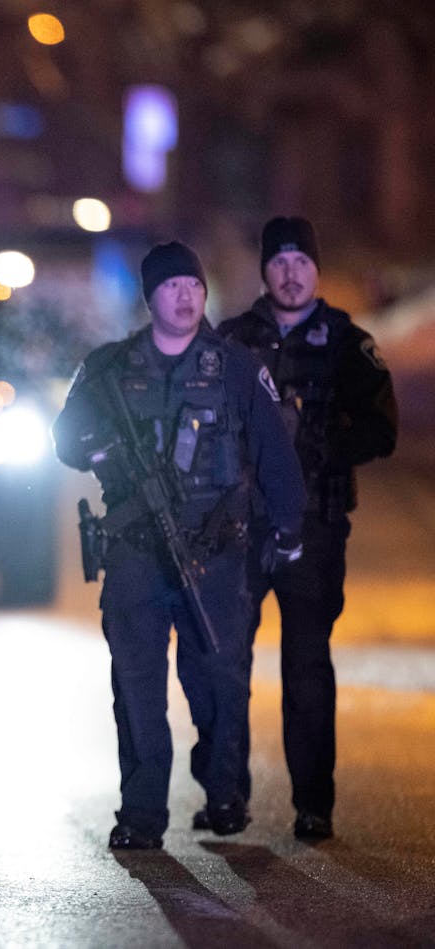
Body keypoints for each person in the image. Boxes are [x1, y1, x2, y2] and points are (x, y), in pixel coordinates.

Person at [53, 241, 307, 850]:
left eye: (193, 285)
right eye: (172, 287)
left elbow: (273, 449)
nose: (186, 296)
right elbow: (64, 439)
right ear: (150, 299)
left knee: (219, 674)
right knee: (137, 689)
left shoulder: (237, 367)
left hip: (215, 552)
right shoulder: (110, 367)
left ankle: (224, 795)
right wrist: (100, 450)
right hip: (138, 553)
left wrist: (289, 526)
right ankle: (141, 815)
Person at [215, 216, 397, 840]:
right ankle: (226, 796)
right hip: (242, 528)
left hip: (315, 528)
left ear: (316, 270)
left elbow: (381, 428)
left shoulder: (347, 342)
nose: (291, 274)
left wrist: (317, 447)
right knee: (225, 661)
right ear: (265, 271)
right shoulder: (234, 339)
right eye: (279, 262)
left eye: (302, 262)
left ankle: (313, 805)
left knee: (307, 667)